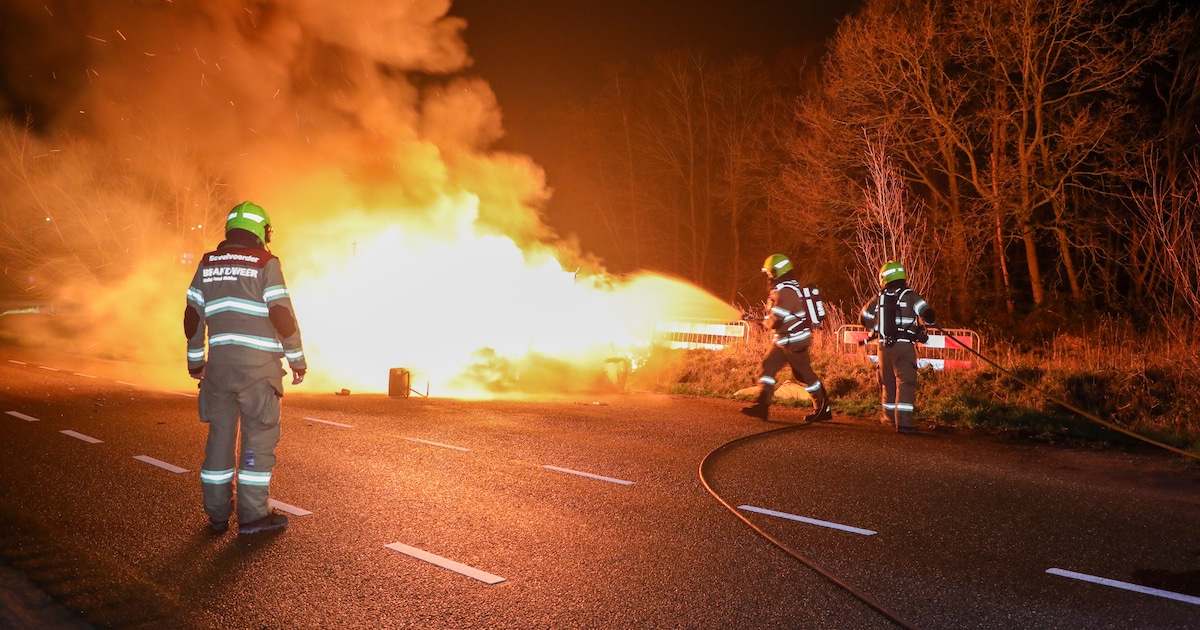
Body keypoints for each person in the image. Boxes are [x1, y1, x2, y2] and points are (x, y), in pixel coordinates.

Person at [184, 201, 307, 535]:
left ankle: (217, 514)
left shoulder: (207, 263)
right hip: (258, 373)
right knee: (256, 442)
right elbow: (282, 316)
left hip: (219, 372)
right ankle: (253, 516)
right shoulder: (266, 263)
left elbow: (193, 318)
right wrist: (297, 361)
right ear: (262, 231)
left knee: (220, 440)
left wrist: (196, 362)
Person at [741, 254, 833, 423]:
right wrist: (760, 321)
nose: (768, 277)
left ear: (777, 272)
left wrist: (762, 322)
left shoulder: (787, 291)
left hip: (795, 341)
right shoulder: (782, 289)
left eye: (769, 273)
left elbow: (777, 320)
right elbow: (776, 318)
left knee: (805, 375)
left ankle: (823, 408)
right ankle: (762, 406)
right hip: (783, 340)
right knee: (767, 367)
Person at [859, 260, 935, 435]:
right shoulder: (910, 295)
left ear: (883, 278)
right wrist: (927, 323)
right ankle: (905, 423)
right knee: (905, 382)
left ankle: (888, 418)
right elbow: (927, 313)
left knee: (888, 382)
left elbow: (863, 318)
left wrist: (876, 328)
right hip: (904, 347)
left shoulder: (879, 297)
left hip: (883, 347)